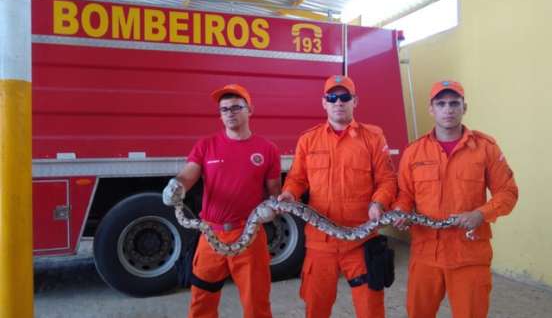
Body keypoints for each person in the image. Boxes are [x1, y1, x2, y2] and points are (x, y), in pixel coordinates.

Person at [393, 80, 518, 318]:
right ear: (431, 109)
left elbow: (508, 192)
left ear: (464, 107)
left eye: (454, 103)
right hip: (425, 253)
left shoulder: (485, 148)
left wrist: (481, 214)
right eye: (441, 104)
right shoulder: (414, 152)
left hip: (469, 254)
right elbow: (405, 194)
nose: (448, 109)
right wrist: (401, 211)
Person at [278, 75, 397, 318]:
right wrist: (289, 194)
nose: (338, 102)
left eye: (345, 97)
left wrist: (379, 202)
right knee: (316, 308)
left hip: (361, 240)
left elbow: (387, 179)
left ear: (355, 101)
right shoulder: (308, 140)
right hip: (320, 244)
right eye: (332, 97)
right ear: (324, 102)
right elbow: (297, 178)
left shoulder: (373, 137)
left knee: (370, 308)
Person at [162, 84, 281, 318]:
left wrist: (272, 208)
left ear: (250, 110)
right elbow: (188, 176)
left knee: (257, 304)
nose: (230, 113)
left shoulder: (267, 149)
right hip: (211, 236)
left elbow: (274, 193)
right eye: (224, 109)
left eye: (237, 107)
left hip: (250, 235)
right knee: (201, 302)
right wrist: (175, 186)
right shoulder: (206, 146)